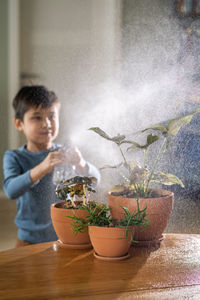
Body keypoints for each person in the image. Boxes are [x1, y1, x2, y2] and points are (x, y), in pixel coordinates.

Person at [3, 85, 101, 247]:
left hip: (66, 236)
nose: (47, 124)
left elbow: (95, 181)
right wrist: (43, 167)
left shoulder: (65, 153)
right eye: (37, 117)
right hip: (28, 240)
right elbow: (11, 190)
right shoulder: (14, 157)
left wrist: (80, 163)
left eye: (52, 116)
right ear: (19, 123)